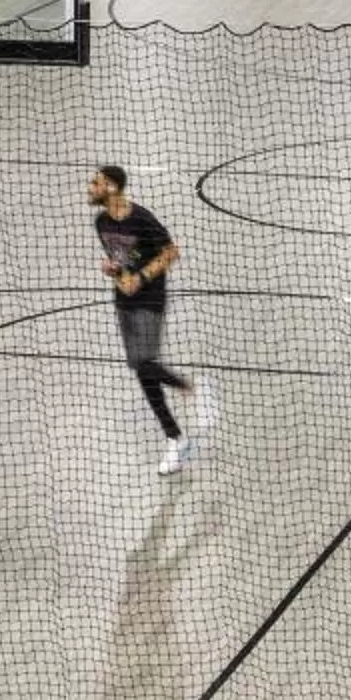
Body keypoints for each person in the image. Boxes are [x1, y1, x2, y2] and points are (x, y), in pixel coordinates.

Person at [88, 165, 215, 475]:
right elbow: (122, 259)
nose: (90, 188)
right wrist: (114, 270)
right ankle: (174, 437)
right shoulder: (101, 221)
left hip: (150, 299)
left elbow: (171, 252)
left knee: (144, 362)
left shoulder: (141, 219)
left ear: (113, 188)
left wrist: (141, 277)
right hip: (123, 299)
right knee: (141, 368)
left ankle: (187, 386)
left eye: (96, 183)